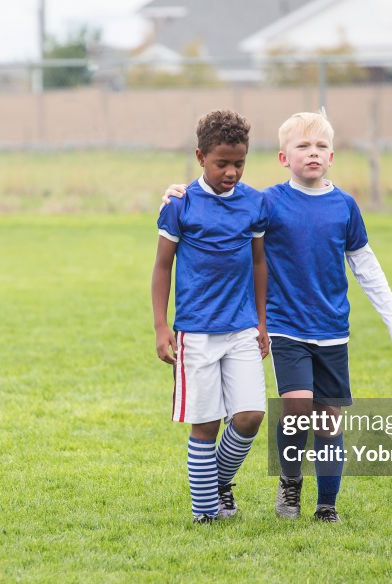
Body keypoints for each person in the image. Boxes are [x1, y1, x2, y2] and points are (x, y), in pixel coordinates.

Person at [161, 111, 392, 523]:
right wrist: (177, 193)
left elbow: (366, 265)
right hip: (284, 326)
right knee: (295, 409)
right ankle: (289, 485)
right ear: (282, 158)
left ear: (332, 155)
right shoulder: (268, 202)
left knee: (328, 420)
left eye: (321, 147)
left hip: (332, 331)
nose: (313, 154)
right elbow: (219, 203)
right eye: (303, 147)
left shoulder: (345, 207)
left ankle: (326, 505)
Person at [151, 109, 270, 524]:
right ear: (201, 157)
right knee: (205, 425)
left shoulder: (254, 204)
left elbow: (259, 264)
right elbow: (162, 266)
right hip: (195, 333)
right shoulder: (180, 205)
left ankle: (216, 482)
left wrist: (261, 321)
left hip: (241, 328)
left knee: (251, 415)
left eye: (240, 163)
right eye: (223, 163)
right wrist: (161, 326)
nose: (232, 172)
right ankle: (206, 515)